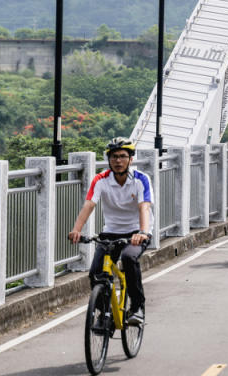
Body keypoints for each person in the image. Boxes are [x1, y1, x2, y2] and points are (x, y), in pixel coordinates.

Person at [68, 137, 153, 326]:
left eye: (123, 156)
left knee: (130, 259)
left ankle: (137, 307)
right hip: (111, 232)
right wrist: (76, 229)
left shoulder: (141, 179)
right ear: (109, 159)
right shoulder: (101, 179)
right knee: (96, 273)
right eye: (114, 156)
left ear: (131, 159)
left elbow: (144, 207)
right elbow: (89, 204)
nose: (118, 161)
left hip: (136, 232)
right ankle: (105, 314)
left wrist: (143, 231)